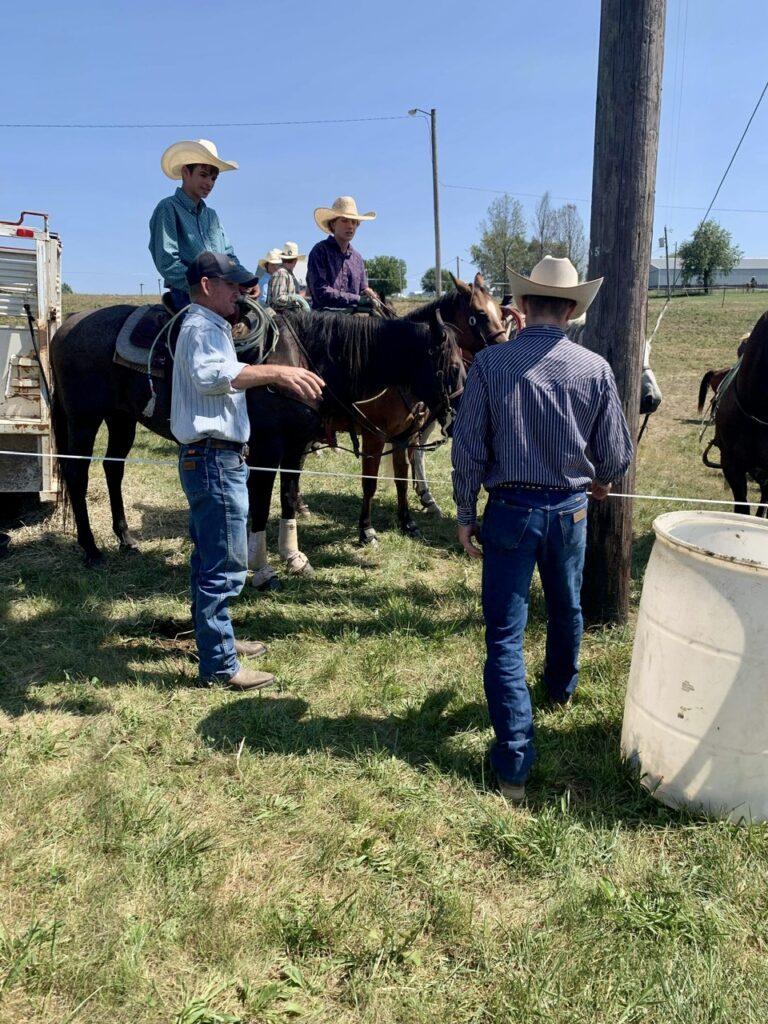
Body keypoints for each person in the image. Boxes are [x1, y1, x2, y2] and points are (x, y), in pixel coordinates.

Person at [451, 256, 633, 803]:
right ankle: (560, 689)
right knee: (566, 606)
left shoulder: (491, 365)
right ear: (573, 310)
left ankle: (513, 765)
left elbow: (467, 449)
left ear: (522, 307)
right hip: (570, 510)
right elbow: (617, 455)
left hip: (509, 509)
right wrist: (597, 480)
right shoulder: (595, 369)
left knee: (505, 634)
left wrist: (464, 513)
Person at [171, 251, 324, 690]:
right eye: (233, 284)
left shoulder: (211, 327)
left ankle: (217, 640)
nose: (243, 291)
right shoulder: (200, 327)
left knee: (210, 557)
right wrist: (276, 371)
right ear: (206, 285)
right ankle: (220, 665)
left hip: (213, 458)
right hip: (214, 460)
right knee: (225, 563)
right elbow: (211, 377)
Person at [149, 139, 244, 312]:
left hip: (219, 293)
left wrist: (245, 280)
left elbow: (229, 256)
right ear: (186, 172)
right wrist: (203, 287)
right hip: (187, 294)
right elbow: (167, 262)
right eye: (203, 175)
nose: (209, 183)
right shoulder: (168, 208)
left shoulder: (212, 216)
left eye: (214, 178)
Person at [306, 196, 378, 309]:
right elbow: (320, 292)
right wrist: (358, 299)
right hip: (324, 320)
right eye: (344, 220)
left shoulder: (358, 258)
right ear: (333, 224)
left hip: (354, 319)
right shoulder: (320, 251)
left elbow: (363, 288)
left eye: (354, 222)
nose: (350, 226)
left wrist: (368, 293)